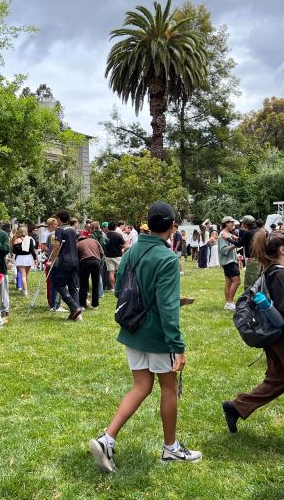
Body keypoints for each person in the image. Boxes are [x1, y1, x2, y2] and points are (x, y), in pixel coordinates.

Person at [88, 202, 201, 473]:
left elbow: (120, 292)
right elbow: (167, 308)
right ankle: (171, 449)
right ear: (173, 227)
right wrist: (178, 346)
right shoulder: (167, 259)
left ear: (148, 224)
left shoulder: (132, 250)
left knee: (140, 386)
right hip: (157, 334)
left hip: (131, 329)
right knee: (169, 388)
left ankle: (107, 439)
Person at [222, 229, 284, 444]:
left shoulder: (272, 270)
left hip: (274, 333)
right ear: (282, 250)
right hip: (283, 333)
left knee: (279, 379)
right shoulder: (279, 272)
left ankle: (237, 407)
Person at [50, 209, 83, 320]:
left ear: (59, 219)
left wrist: (52, 260)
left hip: (65, 261)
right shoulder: (73, 230)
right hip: (75, 260)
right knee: (73, 287)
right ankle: (78, 314)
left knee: (59, 285)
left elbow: (56, 246)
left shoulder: (59, 229)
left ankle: (74, 307)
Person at [218, 216, 241, 311]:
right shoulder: (223, 235)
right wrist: (235, 246)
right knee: (237, 281)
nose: (233, 224)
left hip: (229, 261)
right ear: (226, 223)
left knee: (229, 282)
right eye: (231, 222)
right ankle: (230, 302)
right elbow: (223, 250)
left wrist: (236, 255)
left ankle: (227, 303)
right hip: (229, 262)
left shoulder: (228, 234)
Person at [76, 231, 103, 309]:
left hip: (85, 262)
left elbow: (77, 257)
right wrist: (98, 259)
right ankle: (95, 305)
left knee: (83, 284)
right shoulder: (94, 241)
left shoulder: (78, 244)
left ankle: (82, 305)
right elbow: (102, 253)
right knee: (95, 283)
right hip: (96, 262)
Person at [12, 225, 38, 296]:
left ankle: (25, 290)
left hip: (20, 258)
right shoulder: (30, 239)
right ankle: (24, 289)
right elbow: (32, 250)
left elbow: (14, 251)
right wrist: (35, 259)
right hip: (28, 258)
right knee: (26, 275)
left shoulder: (16, 240)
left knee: (23, 275)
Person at [239, 216, 261, 289]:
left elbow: (239, 244)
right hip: (261, 259)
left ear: (245, 224)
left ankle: (249, 299)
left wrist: (228, 238)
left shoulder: (248, 233)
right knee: (259, 281)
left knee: (250, 283)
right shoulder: (259, 231)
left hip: (253, 260)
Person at [103, 222, 124, 291]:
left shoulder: (105, 235)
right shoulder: (118, 235)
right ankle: (120, 287)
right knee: (119, 272)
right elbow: (123, 245)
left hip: (108, 256)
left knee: (111, 272)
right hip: (118, 256)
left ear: (108, 227)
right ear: (115, 227)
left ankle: (113, 288)